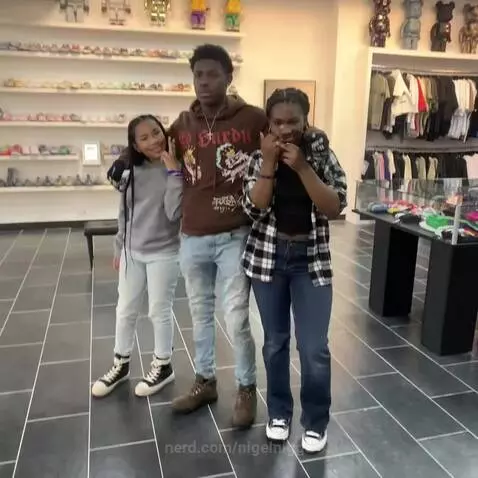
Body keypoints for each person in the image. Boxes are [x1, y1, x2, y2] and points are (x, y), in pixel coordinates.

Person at [168, 44, 268, 428]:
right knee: (199, 314)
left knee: (237, 317)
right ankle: (205, 381)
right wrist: (126, 158)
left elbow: (284, 135)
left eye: (212, 74)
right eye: (198, 75)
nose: (204, 82)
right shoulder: (182, 124)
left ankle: (246, 387)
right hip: (192, 236)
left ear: (229, 77)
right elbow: (153, 146)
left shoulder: (253, 119)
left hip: (234, 235)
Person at [241, 88, 347, 452]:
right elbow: (254, 209)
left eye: (293, 121)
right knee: (274, 343)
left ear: (306, 120)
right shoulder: (259, 157)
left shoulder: (320, 156)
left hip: (310, 261)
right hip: (268, 260)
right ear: (268, 123)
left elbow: (334, 206)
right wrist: (269, 164)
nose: (285, 129)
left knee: (314, 347)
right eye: (277, 122)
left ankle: (315, 422)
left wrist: (302, 167)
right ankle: (278, 413)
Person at [91, 114, 183, 398]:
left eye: (156, 132)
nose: (154, 140)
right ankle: (120, 365)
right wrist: (119, 247)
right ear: (135, 145)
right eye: (144, 138)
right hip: (132, 252)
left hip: (164, 251)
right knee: (125, 309)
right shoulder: (130, 171)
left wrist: (174, 174)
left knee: (159, 310)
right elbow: (125, 213)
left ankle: (163, 365)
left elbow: (174, 213)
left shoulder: (176, 167)